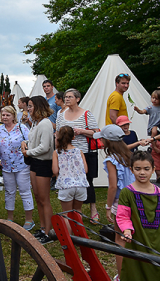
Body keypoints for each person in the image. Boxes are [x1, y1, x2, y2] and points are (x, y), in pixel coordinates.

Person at [116, 151, 160, 281]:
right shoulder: (127, 192)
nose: (142, 172)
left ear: (153, 169)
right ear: (131, 170)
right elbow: (123, 216)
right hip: (137, 241)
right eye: (138, 169)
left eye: (146, 169)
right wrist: (127, 230)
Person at [56, 88, 101, 224]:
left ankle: (93, 209)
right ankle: (72, 210)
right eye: (65, 97)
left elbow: (97, 132)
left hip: (84, 152)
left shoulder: (86, 114)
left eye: (70, 97)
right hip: (66, 153)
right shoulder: (60, 114)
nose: (67, 99)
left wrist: (82, 131)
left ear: (78, 99)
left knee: (88, 181)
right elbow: (58, 133)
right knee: (68, 180)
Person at [95, 124, 134, 276]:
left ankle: (121, 274)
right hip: (134, 199)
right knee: (132, 236)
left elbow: (112, 186)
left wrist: (108, 206)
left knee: (120, 240)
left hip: (121, 202)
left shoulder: (111, 159)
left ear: (108, 141)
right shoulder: (128, 155)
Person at [0, 106, 34, 229]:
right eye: (3, 115)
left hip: (22, 164)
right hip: (6, 166)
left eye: (7, 115)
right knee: (9, 191)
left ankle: (29, 219)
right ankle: (10, 218)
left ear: (13, 116)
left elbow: (29, 142)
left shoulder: (22, 128)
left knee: (24, 190)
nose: (5, 117)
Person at [21, 96, 54, 244]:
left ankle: (48, 232)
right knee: (37, 197)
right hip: (35, 162)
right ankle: (42, 228)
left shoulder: (45, 123)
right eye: (28, 106)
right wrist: (26, 143)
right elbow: (35, 141)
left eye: (31, 106)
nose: (28, 109)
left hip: (43, 163)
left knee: (44, 199)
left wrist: (28, 152)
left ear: (38, 107)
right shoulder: (36, 123)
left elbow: (45, 146)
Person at [52, 126, 89, 215]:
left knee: (67, 213)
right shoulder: (79, 151)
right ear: (73, 137)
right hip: (81, 185)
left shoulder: (57, 152)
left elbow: (55, 170)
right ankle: (78, 229)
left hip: (66, 186)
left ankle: (68, 229)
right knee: (77, 211)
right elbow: (86, 170)